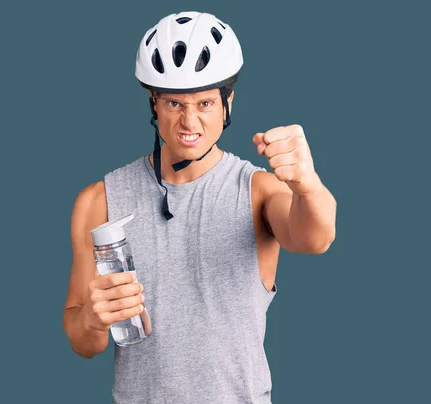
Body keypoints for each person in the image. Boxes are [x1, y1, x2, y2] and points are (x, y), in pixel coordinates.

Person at [63, 11, 337, 404]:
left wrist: (308, 187)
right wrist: (91, 318)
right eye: (175, 103)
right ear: (153, 103)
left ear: (228, 102)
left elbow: (316, 238)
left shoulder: (258, 190)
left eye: (205, 103)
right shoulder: (98, 200)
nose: (189, 121)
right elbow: (82, 340)